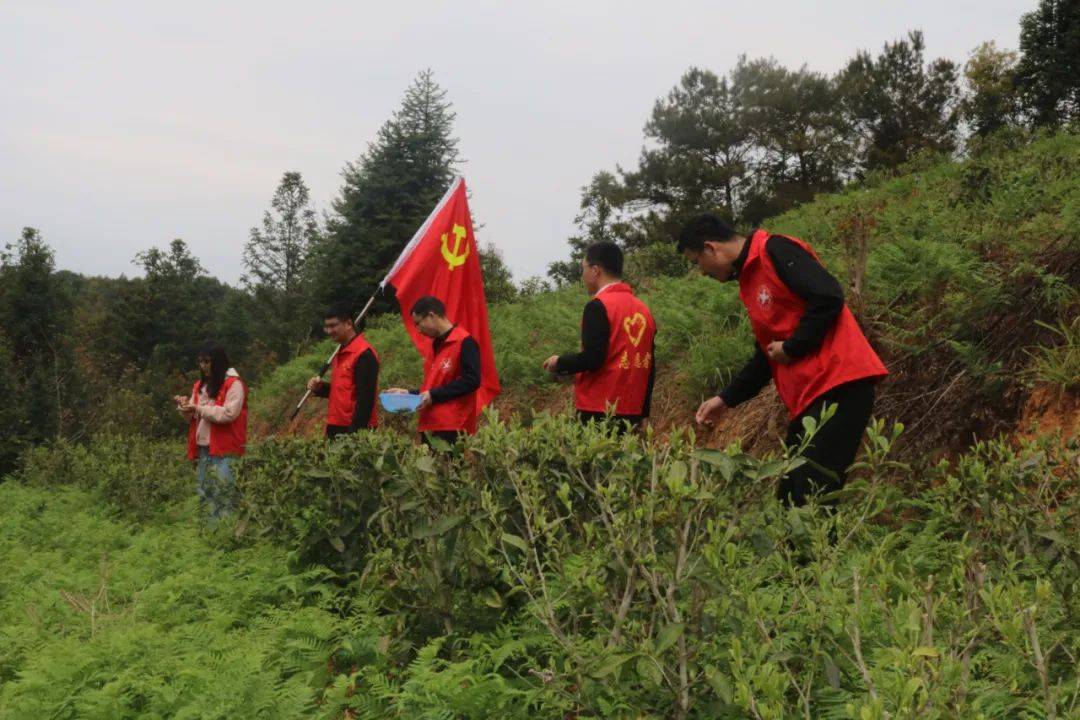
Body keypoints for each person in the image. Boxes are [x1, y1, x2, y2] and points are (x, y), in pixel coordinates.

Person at [677, 214, 888, 506]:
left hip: (840, 385)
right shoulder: (750, 279)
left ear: (710, 248)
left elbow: (828, 296)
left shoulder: (775, 250)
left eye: (696, 261)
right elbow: (766, 356)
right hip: (811, 396)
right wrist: (724, 400)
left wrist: (793, 347)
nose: (700, 272)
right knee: (790, 501)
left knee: (810, 501)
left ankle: (822, 553)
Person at [542, 241, 656, 433]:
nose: (582, 275)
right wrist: (644, 412)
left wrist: (559, 362)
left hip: (598, 412)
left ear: (595, 270)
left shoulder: (598, 306)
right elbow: (649, 366)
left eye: (583, 268)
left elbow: (593, 358)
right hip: (632, 412)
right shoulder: (643, 310)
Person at [386, 296, 481, 446]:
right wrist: (409, 394)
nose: (417, 330)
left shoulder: (465, 342)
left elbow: (472, 380)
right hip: (430, 424)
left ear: (431, 316)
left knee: (449, 469)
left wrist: (433, 395)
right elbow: (433, 387)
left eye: (418, 323)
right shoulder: (434, 346)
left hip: (451, 426)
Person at [176, 343, 248, 520]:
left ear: (217, 362)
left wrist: (198, 408)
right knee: (205, 493)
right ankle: (209, 537)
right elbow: (193, 418)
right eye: (200, 361)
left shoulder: (234, 384)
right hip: (204, 447)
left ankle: (226, 538)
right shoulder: (200, 386)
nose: (203, 366)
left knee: (223, 494)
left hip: (226, 448)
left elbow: (229, 414)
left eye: (207, 361)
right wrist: (185, 408)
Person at [306, 302, 379, 439]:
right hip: (335, 425)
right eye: (326, 327)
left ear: (348, 324)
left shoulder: (364, 354)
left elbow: (365, 400)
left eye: (333, 325)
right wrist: (319, 388)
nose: (329, 331)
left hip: (355, 429)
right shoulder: (340, 352)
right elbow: (343, 391)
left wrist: (354, 436)